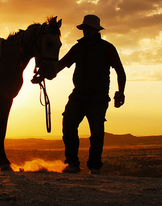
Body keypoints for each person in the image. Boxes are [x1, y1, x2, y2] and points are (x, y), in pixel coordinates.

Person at [33, 14, 126, 174]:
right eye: (85, 29)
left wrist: (120, 92)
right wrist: (43, 75)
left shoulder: (107, 48)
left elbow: (120, 71)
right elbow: (61, 64)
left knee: (96, 132)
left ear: (96, 30)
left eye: (89, 29)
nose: (87, 31)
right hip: (79, 95)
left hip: (98, 96)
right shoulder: (78, 48)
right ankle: (73, 164)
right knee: (68, 125)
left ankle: (94, 166)